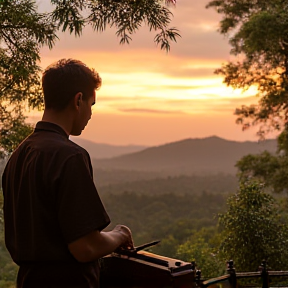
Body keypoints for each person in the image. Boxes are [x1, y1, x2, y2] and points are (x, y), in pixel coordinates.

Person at [2, 59, 134, 288]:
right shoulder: (69, 157)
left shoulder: (19, 156)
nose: (90, 114)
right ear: (78, 100)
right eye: (92, 105)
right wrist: (120, 234)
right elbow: (86, 247)